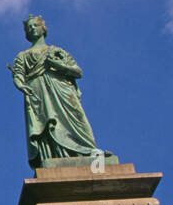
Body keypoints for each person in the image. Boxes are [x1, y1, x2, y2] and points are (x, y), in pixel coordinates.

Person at [7, 15, 105, 168]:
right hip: (37, 91)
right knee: (47, 124)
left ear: (43, 28)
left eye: (35, 25)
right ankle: (55, 156)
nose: (32, 28)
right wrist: (20, 85)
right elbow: (18, 75)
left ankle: (88, 151)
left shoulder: (57, 51)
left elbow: (78, 72)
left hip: (61, 89)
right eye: (29, 27)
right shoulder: (23, 56)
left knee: (76, 118)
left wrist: (58, 65)